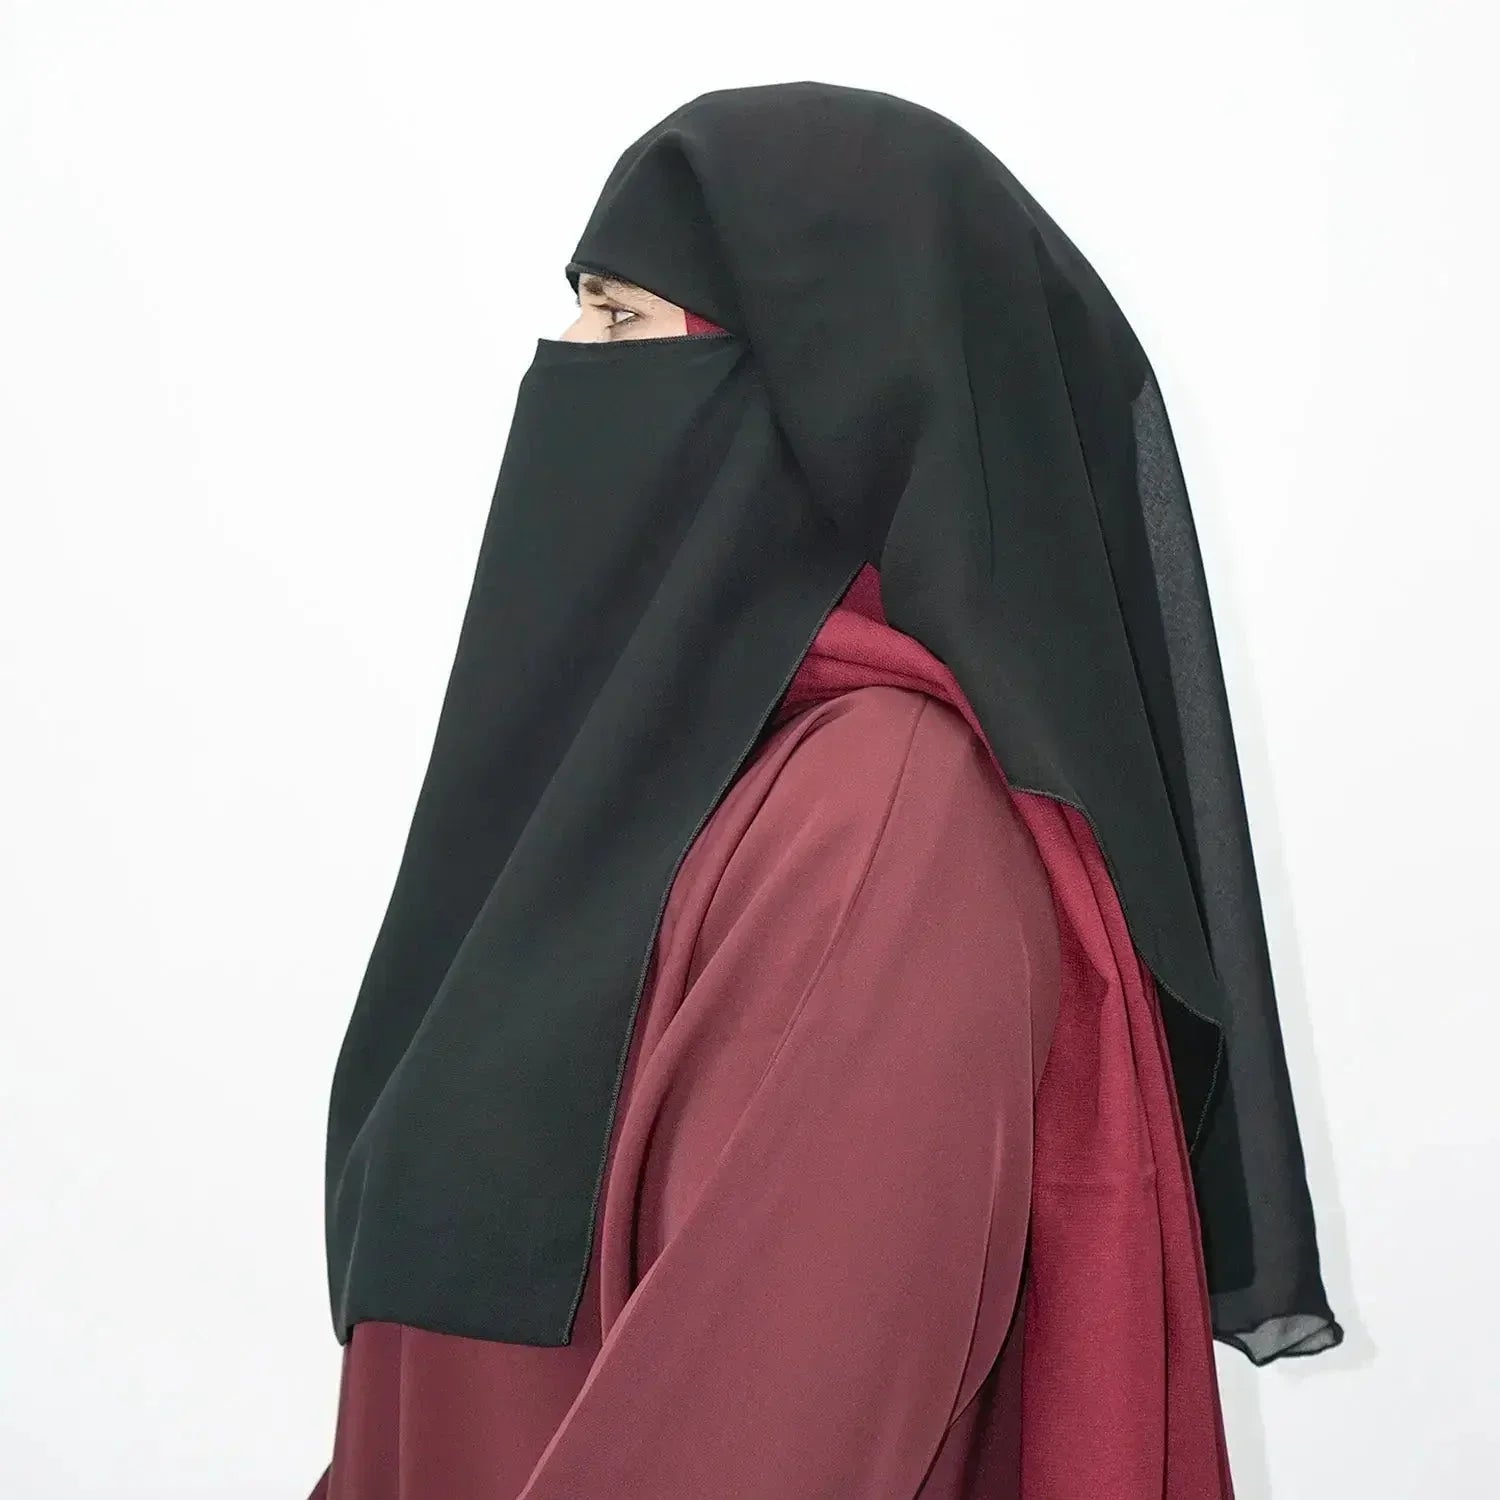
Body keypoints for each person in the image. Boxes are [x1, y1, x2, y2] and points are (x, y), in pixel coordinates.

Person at [308, 82, 1341, 1499]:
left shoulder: (882, 830)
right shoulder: (646, 813)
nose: (561, 369)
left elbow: (756, 1448)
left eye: (620, 321)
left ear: (811, 395)